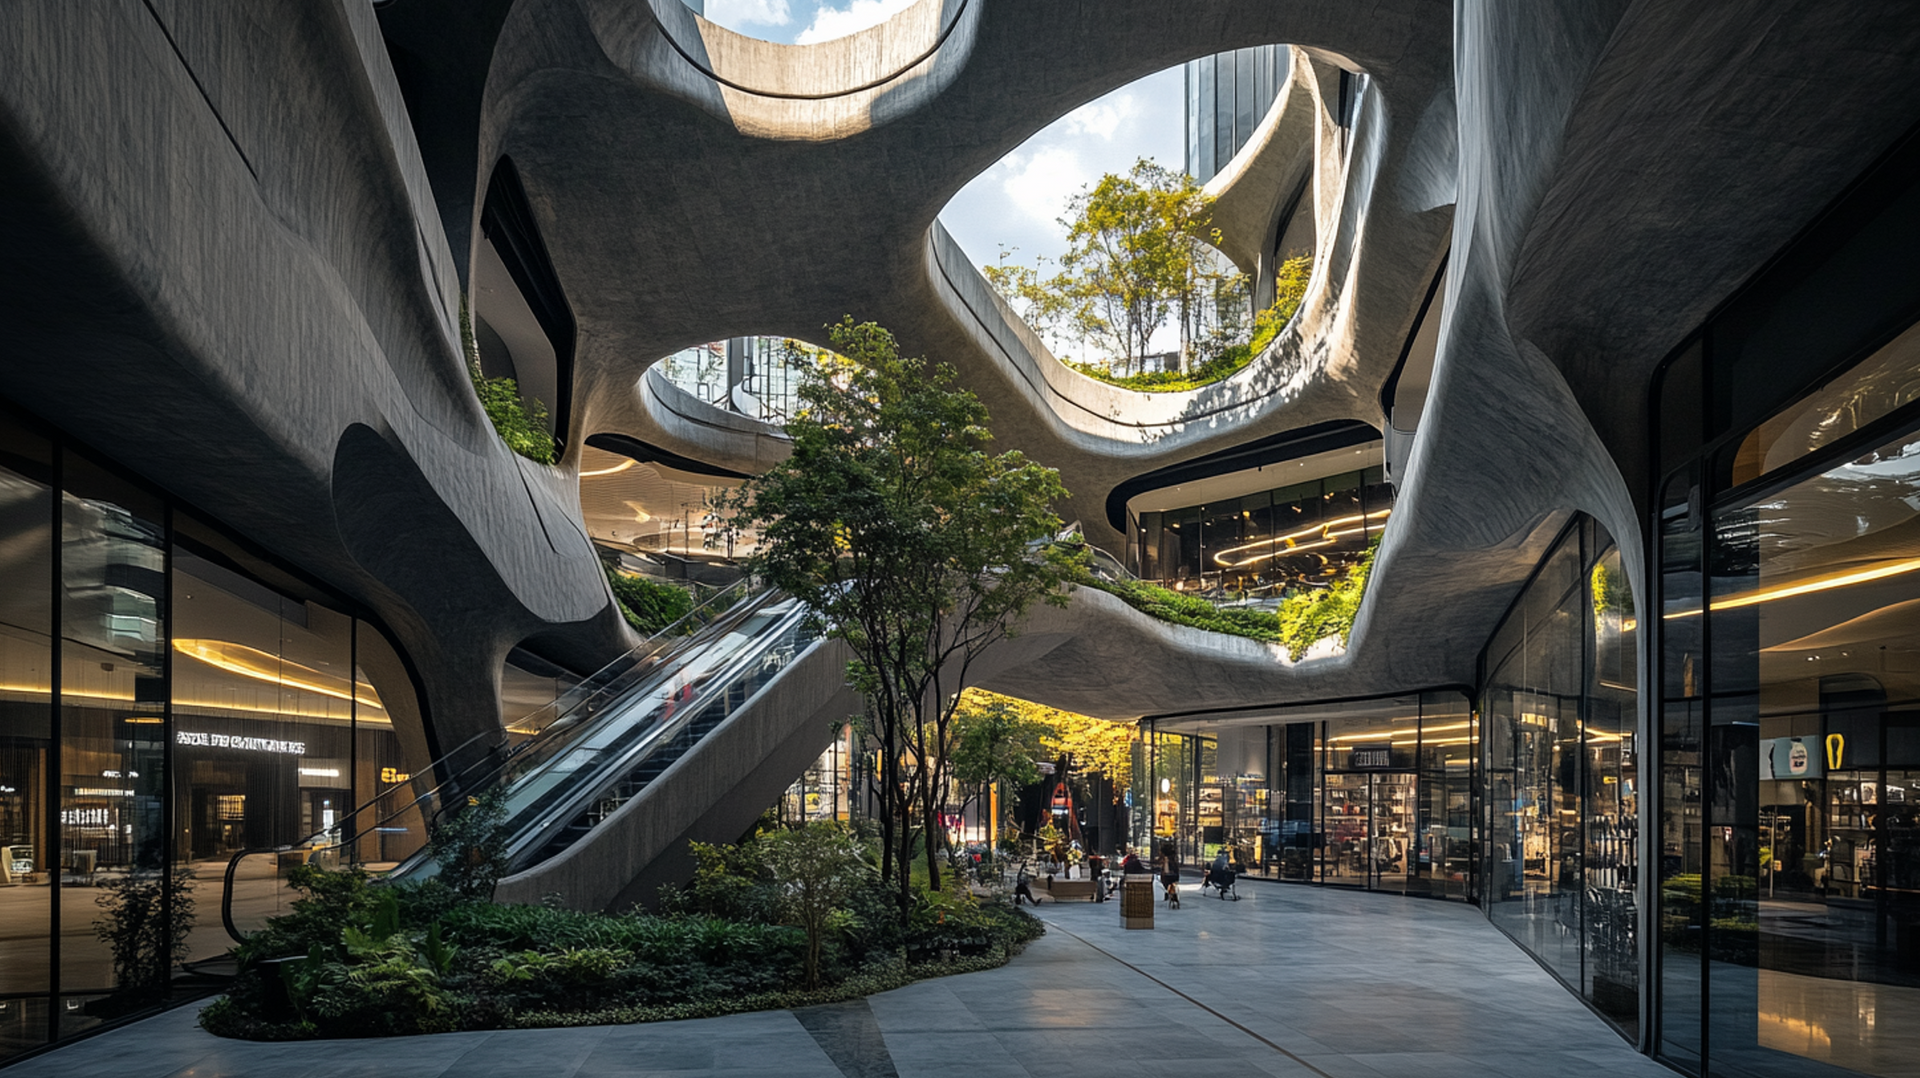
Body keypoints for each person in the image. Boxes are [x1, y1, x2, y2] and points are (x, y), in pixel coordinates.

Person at [1159, 842, 1182, 908]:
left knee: (1166, 883)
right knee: (1172, 886)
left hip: (1168, 877)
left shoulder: (1166, 859)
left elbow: (1166, 871)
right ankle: (1173, 895)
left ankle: (1170, 894)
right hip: (1175, 876)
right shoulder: (1174, 858)